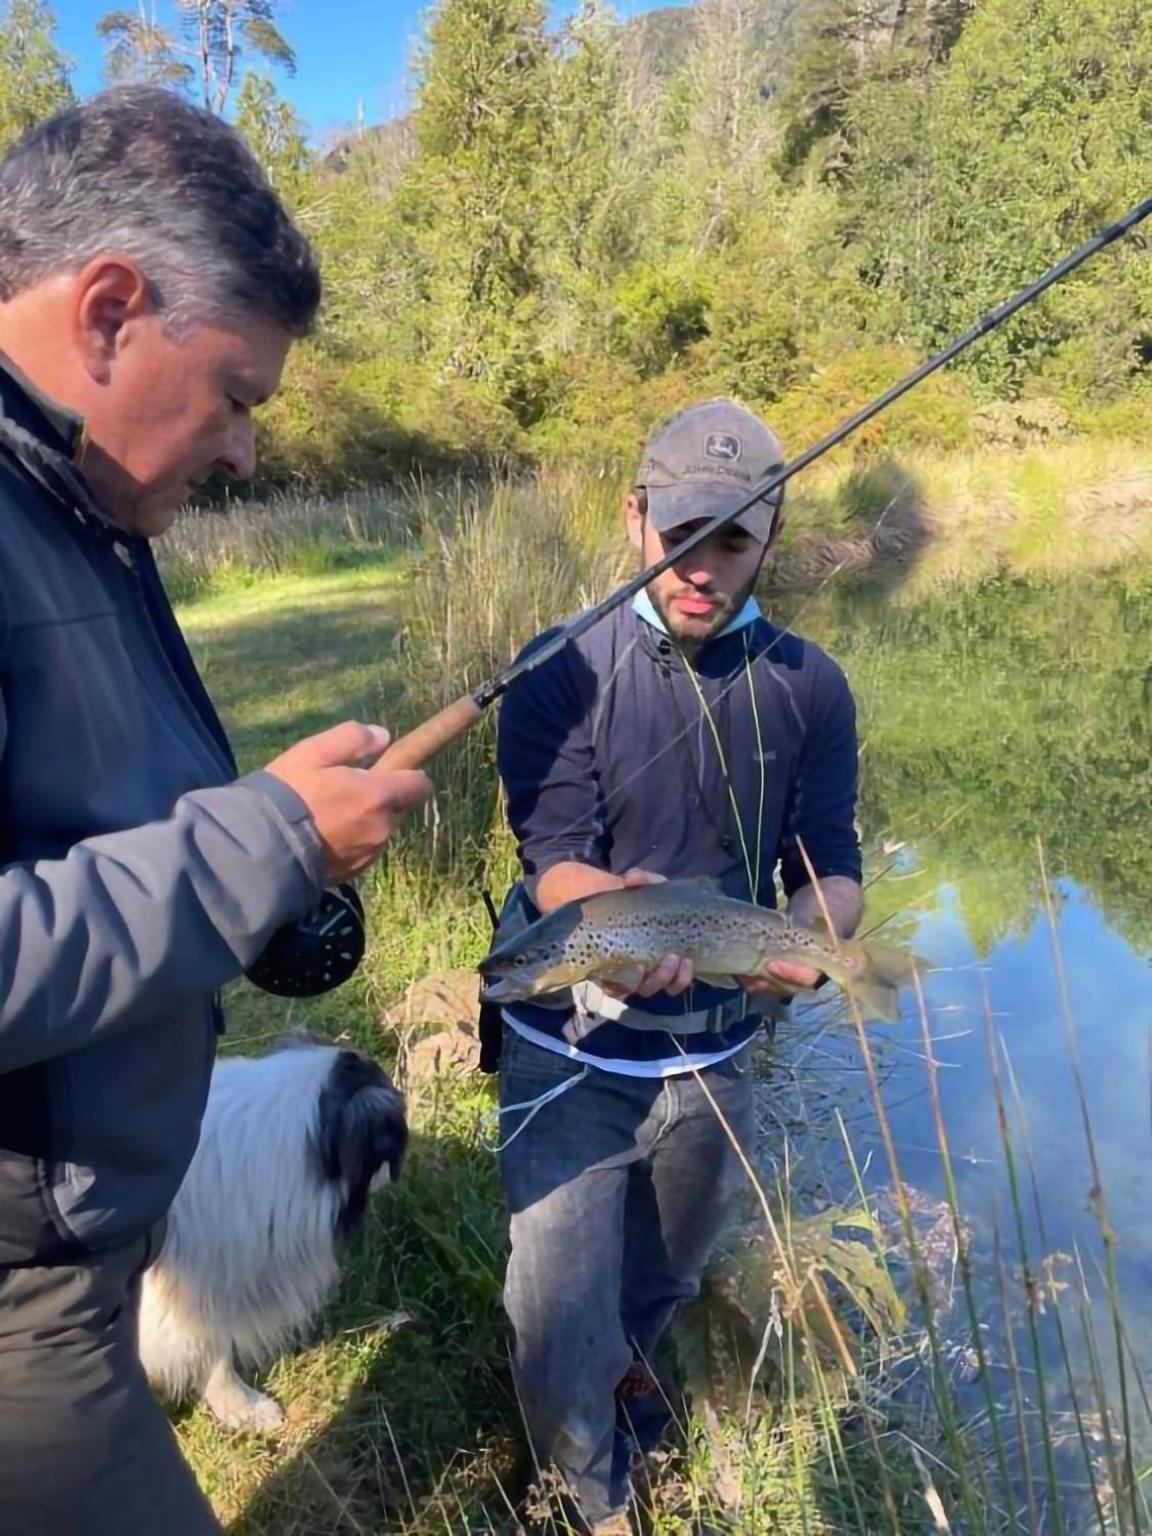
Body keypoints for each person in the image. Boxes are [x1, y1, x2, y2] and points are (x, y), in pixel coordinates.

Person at [0, 88, 432, 1535]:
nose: (246, 450)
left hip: (83, 1255)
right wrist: (264, 841)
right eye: (239, 396)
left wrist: (272, 892)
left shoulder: (78, 516)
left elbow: (91, 847)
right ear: (112, 308)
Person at [487, 398, 865, 1533]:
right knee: (556, 1303)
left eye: (733, 541)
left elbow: (835, 861)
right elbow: (551, 858)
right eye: (680, 536)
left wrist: (814, 939)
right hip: (572, 1052)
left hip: (719, 1056)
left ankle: (626, 1405)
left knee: (663, 1281)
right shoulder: (560, 665)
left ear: (769, 540)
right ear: (635, 516)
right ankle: (588, 1498)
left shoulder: (811, 684)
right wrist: (611, 923)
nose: (702, 569)